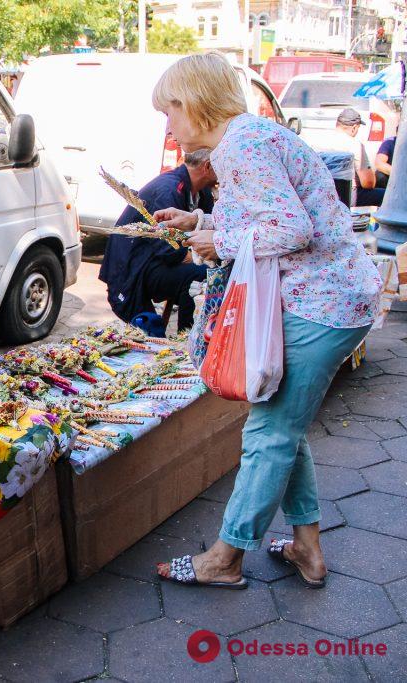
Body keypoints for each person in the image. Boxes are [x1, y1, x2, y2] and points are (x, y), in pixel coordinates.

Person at [150, 53, 381, 590]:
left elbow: (292, 230)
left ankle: (226, 557)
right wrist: (201, 220)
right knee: (283, 426)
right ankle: (307, 548)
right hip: (330, 300)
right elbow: (268, 214)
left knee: (269, 431)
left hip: (321, 304)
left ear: (194, 103)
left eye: (170, 111)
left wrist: (219, 240)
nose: (168, 125)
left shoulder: (243, 146)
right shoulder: (247, 138)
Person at [98, 149, 217, 331]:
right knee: (199, 275)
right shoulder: (168, 189)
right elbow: (168, 251)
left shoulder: (203, 192)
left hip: (155, 262)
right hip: (134, 269)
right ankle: (188, 337)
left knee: (209, 272)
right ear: (208, 166)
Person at [312, 108, 384, 206]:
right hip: (346, 195)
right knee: (385, 195)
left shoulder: (317, 140)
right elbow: (368, 183)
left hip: (321, 193)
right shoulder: (355, 144)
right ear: (354, 127)